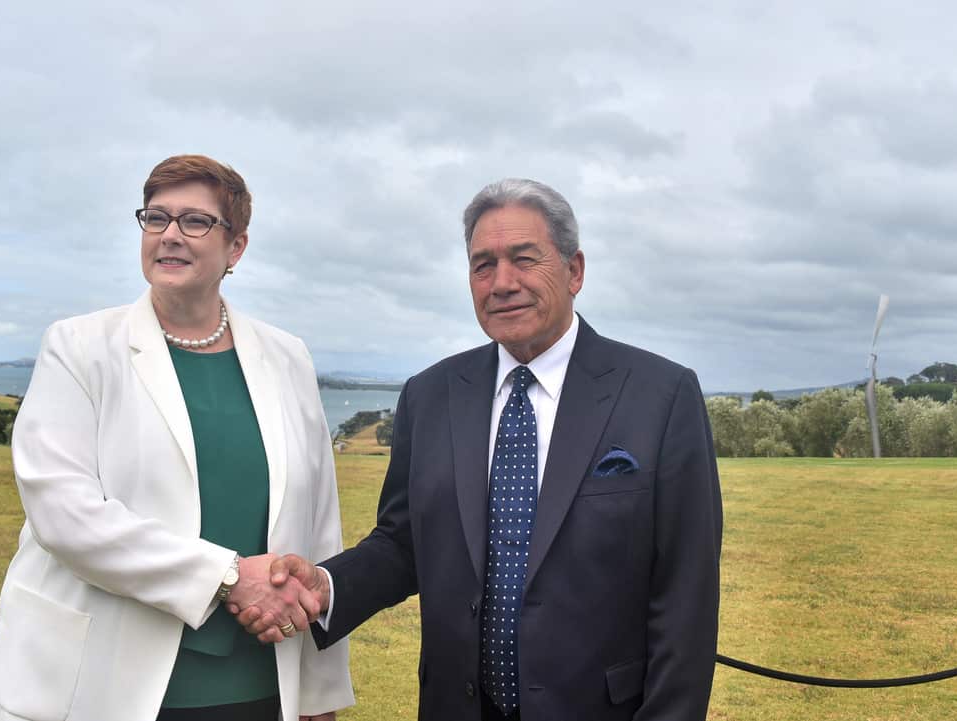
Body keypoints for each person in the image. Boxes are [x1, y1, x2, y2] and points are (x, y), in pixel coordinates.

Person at [236, 179, 722, 720]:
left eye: (524, 259)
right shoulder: (431, 394)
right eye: (482, 265)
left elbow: (686, 596)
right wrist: (326, 586)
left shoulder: (661, 394)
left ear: (575, 270)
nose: (502, 283)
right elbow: (404, 544)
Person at [0, 154, 353, 721]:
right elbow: (65, 514)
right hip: (102, 683)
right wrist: (227, 578)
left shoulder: (288, 357)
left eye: (195, 221)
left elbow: (319, 531)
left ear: (237, 248)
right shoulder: (79, 347)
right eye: (157, 218)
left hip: (260, 686)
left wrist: (320, 691)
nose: (171, 235)